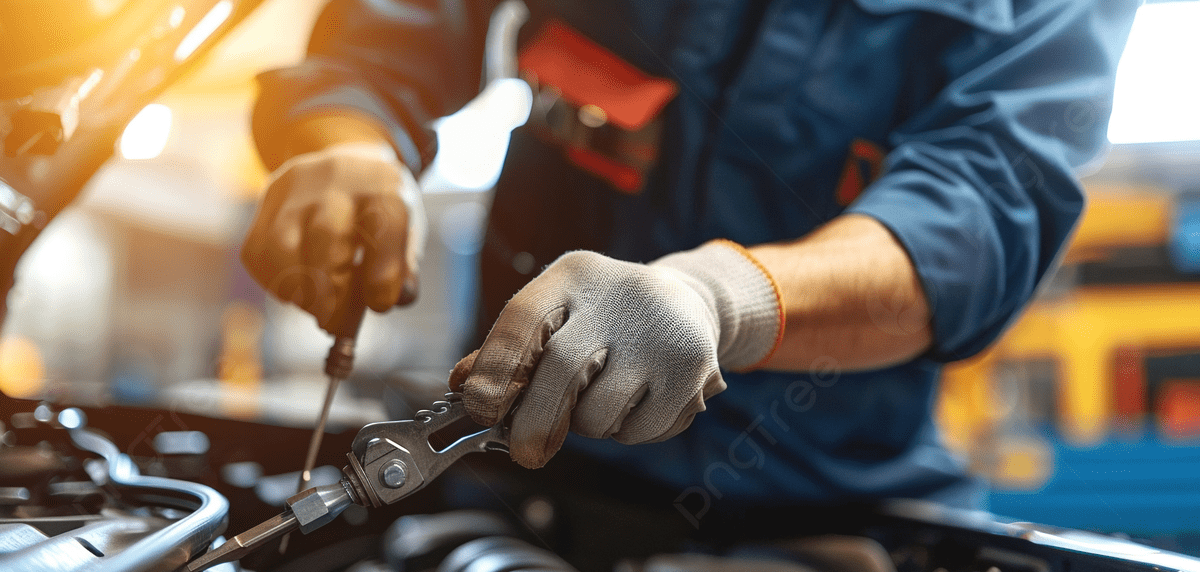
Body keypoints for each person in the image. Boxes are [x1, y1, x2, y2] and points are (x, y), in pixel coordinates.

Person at [242, 0, 1138, 524]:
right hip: (515, 483)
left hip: (818, 516)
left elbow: (980, 205)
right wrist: (348, 141)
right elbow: (393, 31)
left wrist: (723, 299)